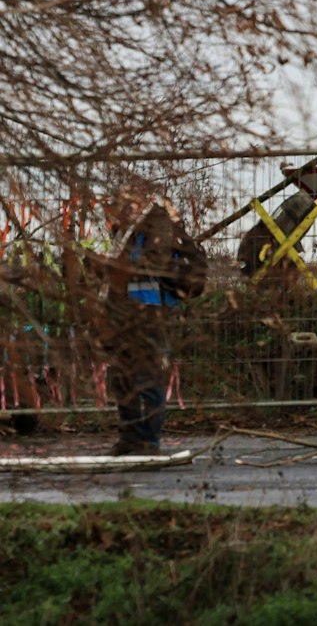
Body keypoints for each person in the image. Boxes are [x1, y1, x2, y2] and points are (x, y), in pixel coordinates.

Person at [103, 193, 206, 456]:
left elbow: (154, 266)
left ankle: (148, 440)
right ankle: (131, 438)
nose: (109, 216)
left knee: (146, 377)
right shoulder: (132, 232)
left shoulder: (155, 226)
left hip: (150, 314)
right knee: (123, 377)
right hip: (130, 314)